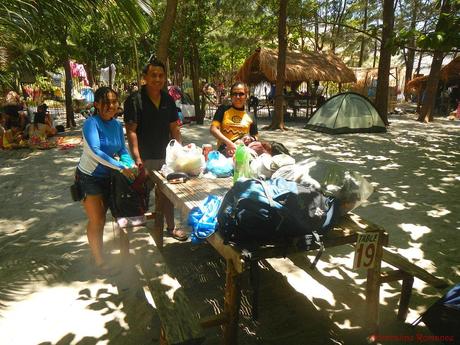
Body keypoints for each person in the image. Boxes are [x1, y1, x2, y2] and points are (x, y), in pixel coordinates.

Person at [124, 57, 187, 242]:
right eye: (153, 75)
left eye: (161, 75)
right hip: (144, 156)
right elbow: (131, 131)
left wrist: (179, 152)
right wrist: (137, 157)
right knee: (141, 194)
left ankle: (171, 228)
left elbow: (174, 128)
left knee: (167, 195)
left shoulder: (168, 99)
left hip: (165, 157)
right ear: (145, 77)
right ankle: (138, 230)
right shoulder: (134, 100)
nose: (157, 79)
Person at [76, 86, 136, 274]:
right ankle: (100, 261)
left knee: (116, 215)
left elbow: (122, 150)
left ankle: (100, 252)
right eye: (106, 102)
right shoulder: (91, 124)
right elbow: (95, 152)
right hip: (89, 178)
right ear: (96, 104)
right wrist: (120, 167)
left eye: (114, 101)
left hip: (109, 177)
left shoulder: (117, 125)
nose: (111, 106)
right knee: (98, 220)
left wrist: (129, 163)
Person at [210, 81, 258, 157]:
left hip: (241, 154)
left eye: (241, 94)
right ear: (231, 96)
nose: (237, 97)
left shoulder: (251, 115)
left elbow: (255, 136)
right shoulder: (223, 110)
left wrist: (250, 138)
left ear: (246, 96)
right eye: (234, 94)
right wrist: (229, 143)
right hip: (224, 152)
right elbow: (213, 129)